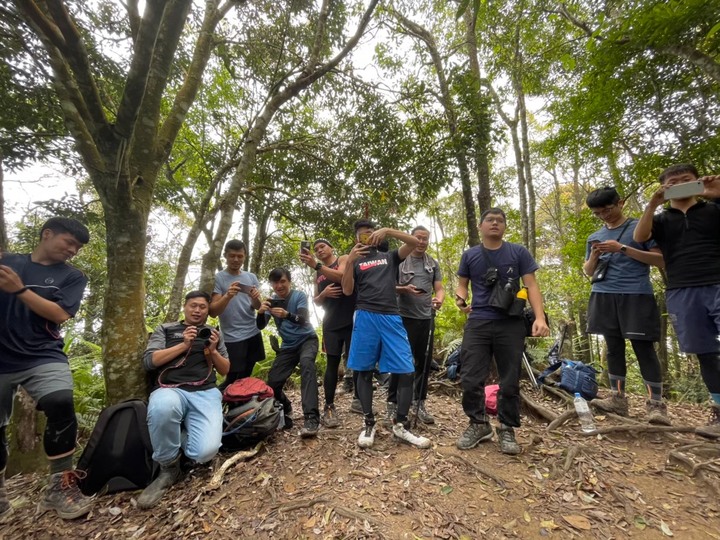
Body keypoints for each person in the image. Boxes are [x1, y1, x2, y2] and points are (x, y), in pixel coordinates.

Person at [0, 217, 92, 520]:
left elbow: (60, 313)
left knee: (61, 403)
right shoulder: (8, 262)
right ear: (47, 234)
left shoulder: (72, 276)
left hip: (42, 354)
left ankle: (59, 485)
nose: (73, 250)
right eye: (70, 242)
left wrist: (20, 289)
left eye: (77, 247)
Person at [454, 208, 550, 455]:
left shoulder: (518, 252)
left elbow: (531, 285)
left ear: (505, 226)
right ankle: (478, 424)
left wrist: (539, 317)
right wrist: (461, 301)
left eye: (500, 220)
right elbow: (462, 285)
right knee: (470, 377)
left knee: (509, 380)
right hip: (478, 322)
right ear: (480, 226)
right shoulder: (470, 255)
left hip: (510, 322)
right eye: (490, 220)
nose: (495, 223)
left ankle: (507, 428)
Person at [634, 164, 720, 438]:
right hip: (682, 289)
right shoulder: (661, 219)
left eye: (686, 180)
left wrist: (716, 194)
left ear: (697, 181)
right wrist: (652, 204)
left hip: (717, 281)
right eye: (673, 182)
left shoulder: (713, 209)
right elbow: (640, 237)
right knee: (704, 352)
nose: (680, 184)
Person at [583, 187, 670, 424]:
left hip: (636, 294)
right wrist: (594, 256)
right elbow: (588, 271)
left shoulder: (640, 228)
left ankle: (656, 405)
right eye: (597, 213)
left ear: (620, 203)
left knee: (644, 348)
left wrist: (622, 248)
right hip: (602, 294)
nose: (604, 216)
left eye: (607, 209)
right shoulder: (595, 236)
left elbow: (660, 260)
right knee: (613, 348)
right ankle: (618, 398)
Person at [342, 219, 431, 449]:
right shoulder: (356, 261)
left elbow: (413, 242)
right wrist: (350, 260)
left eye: (371, 233)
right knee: (362, 371)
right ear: (356, 239)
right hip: (365, 316)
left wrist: (388, 230)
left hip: (391, 316)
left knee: (407, 369)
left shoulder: (389, 256)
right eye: (363, 234)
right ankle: (368, 422)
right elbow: (347, 290)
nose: (368, 237)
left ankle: (400, 425)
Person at [138, 291, 229, 509]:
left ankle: (177, 436)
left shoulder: (213, 333)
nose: (198, 310)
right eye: (193, 306)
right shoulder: (166, 329)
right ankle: (169, 468)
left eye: (203, 307)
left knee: (205, 452)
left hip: (205, 392)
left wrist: (213, 351)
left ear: (208, 311)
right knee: (163, 407)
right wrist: (183, 345)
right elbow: (149, 361)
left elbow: (225, 370)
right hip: (170, 389)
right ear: (185, 307)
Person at [388, 225, 445, 425]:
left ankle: (419, 402)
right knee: (400, 361)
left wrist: (439, 300)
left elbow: (439, 288)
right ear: (411, 239)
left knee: (424, 362)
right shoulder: (400, 261)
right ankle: (392, 402)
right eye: (418, 238)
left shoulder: (432, 263)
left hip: (426, 318)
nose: (422, 242)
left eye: (425, 238)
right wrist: (404, 289)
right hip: (403, 318)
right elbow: (388, 286)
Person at [257, 267, 321, 438]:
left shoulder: (298, 296)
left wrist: (286, 315)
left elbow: (303, 319)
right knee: (272, 382)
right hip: (288, 346)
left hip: (307, 340)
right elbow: (260, 326)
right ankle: (286, 408)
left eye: (282, 281)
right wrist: (261, 311)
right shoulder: (271, 301)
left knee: (307, 365)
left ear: (289, 281)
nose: (279, 286)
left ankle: (311, 419)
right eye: (275, 282)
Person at [300, 238, 356, 428]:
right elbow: (316, 300)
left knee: (356, 360)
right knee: (332, 364)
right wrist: (323, 295)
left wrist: (316, 265)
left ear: (331, 247)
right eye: (316, 249)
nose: (319, 250)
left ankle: (360, 401)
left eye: (322, 246)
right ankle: (329, 406)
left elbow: (342, 277)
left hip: (351, 320)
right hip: (331, 324)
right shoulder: (318, 274)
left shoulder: (343, 259)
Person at [209, 240, 264, 387]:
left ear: (245, 256)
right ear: (225, 256)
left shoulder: (251, 277)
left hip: (252, 332)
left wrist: (255, 298)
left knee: (247, 374)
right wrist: (227, 296)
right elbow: (213, 312)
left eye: (239, 256)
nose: (236, 260)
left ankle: (239, 405)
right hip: (232, 337)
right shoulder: (219, 278)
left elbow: (258, 307)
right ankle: (220, 400)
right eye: (232, 256)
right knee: (232, 377)